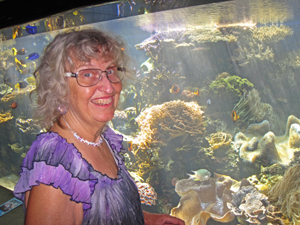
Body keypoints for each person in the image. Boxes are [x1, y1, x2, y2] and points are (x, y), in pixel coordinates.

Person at [13, 28, 185, 225]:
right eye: (88, 74)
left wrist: (148, 220)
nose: (109, 87)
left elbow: (103, 213)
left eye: (110, 71)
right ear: (58, 87)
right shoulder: (57, 169)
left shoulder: (101, 136)